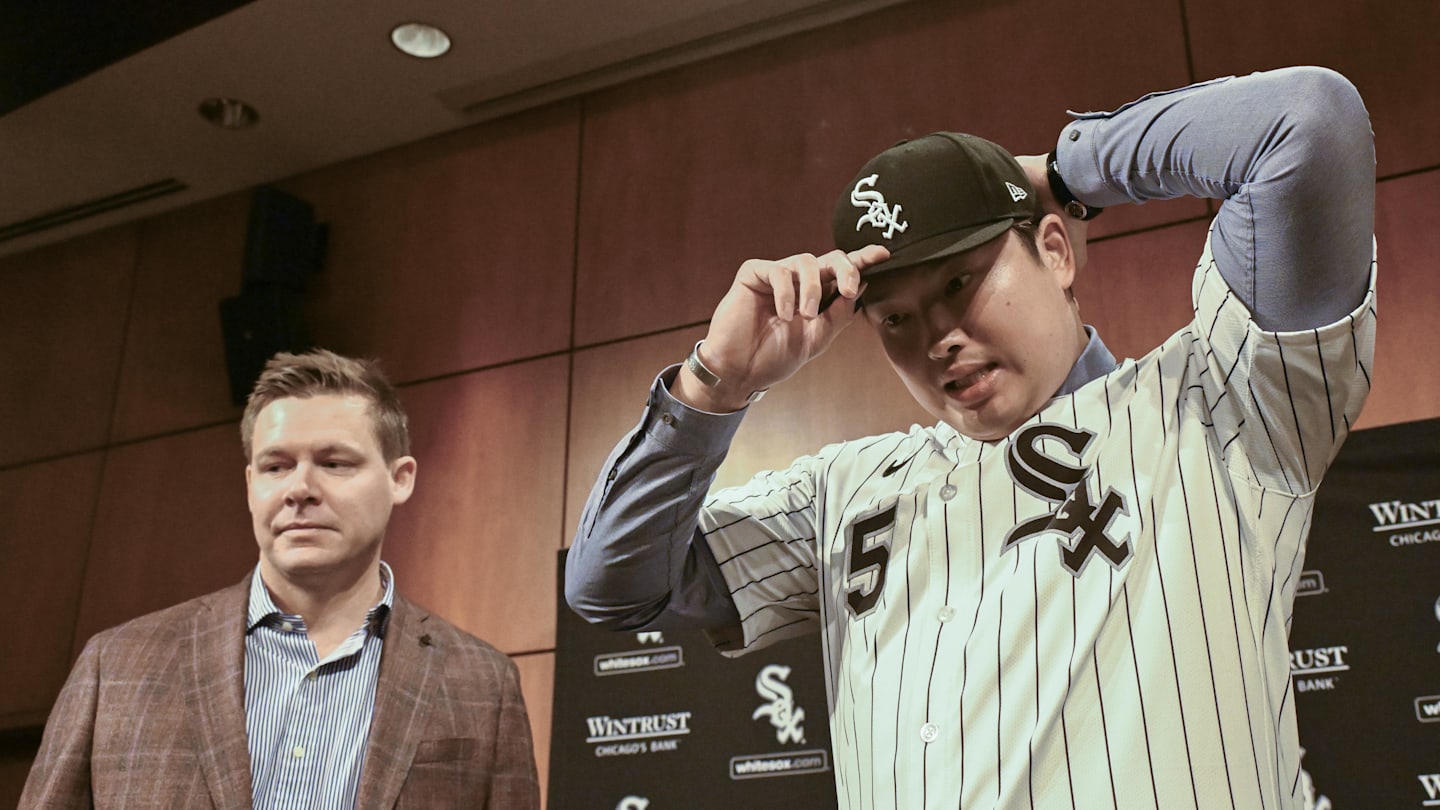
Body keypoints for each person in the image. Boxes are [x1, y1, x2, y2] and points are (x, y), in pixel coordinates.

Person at [566, 66, 1375, 809]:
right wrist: (716, 385)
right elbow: (611, 586)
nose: (938, 338)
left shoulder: (1216, 402)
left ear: (1055, 251)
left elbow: (1303, 126)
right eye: (896, 318)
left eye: (960, 282)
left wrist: (1064, 175)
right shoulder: (846, 491)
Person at [21, 349, 540, 809]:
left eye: (334, 463)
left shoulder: (481, 683)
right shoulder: (116, 665)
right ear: (250, 485)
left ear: (400, 479)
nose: (300, 489)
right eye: (275, 466)